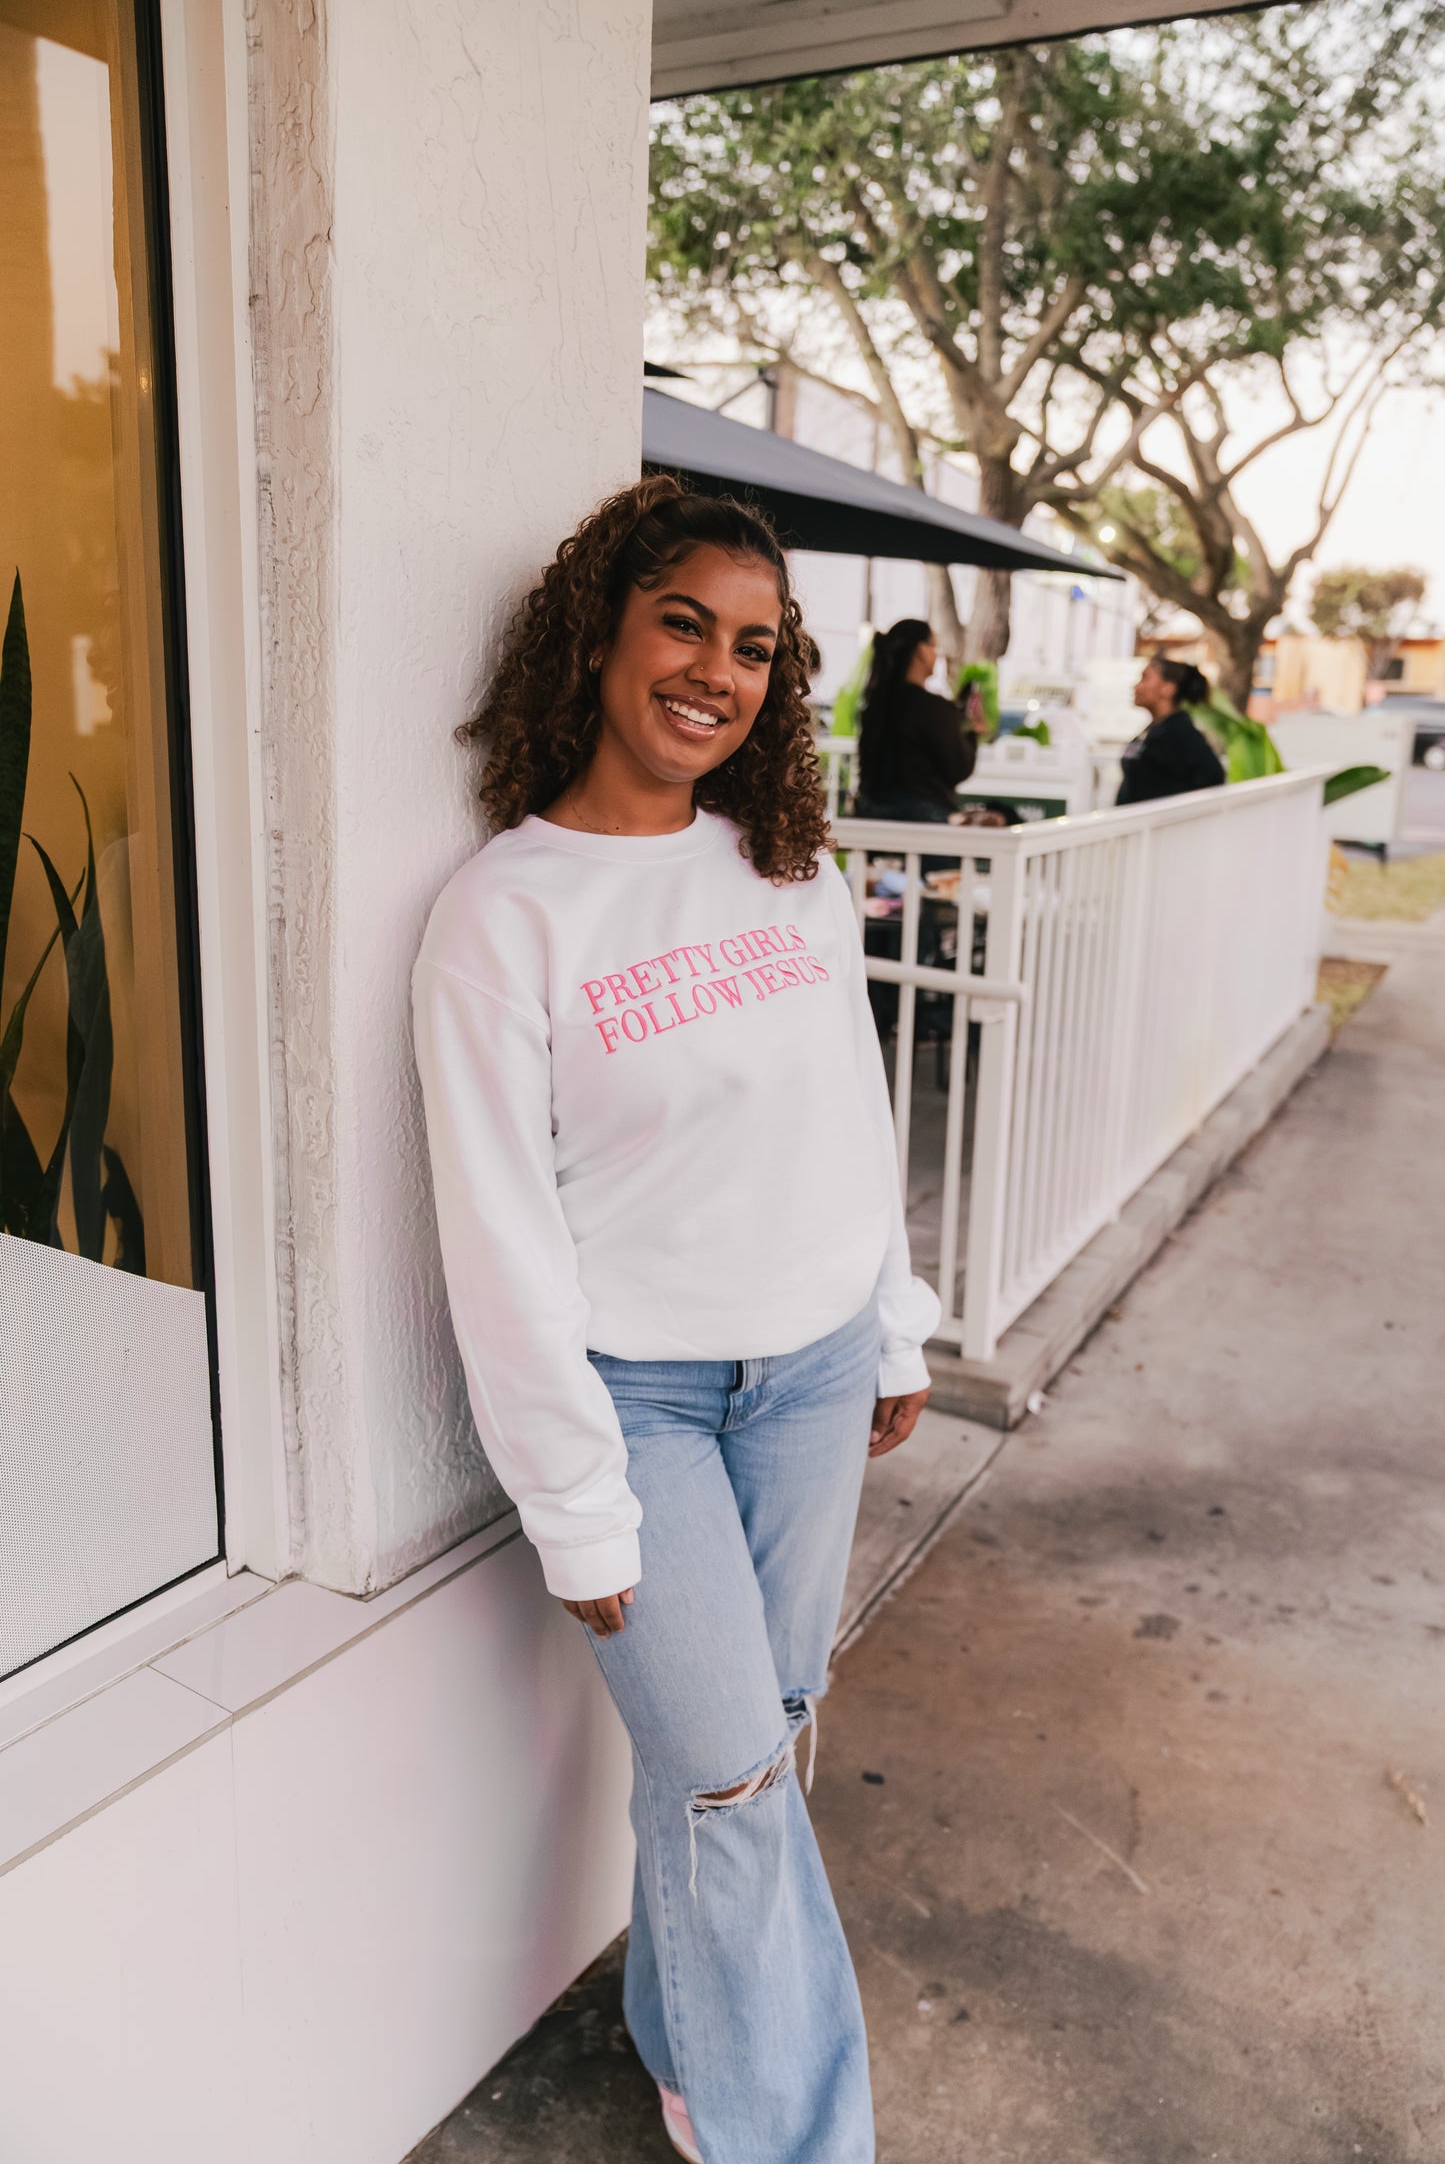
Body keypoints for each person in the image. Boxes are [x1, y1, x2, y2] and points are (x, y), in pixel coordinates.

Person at [412, 475, 940, 2164]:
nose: (718, 670)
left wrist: (895, 1323)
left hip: (814, 1371)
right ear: (603, 633)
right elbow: (498, 1235)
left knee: (755, 1743)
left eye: (757, 648)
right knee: (727, 1776)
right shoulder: (506, 912)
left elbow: (851, 1107)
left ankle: (684, 2039)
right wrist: (571, 1497)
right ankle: (800, 2138)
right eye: (685, 625)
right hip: (640, 1399)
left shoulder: (785, 865)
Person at [853, 615, 985, 820]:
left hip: (872, 814)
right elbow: (958, 768)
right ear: (922, 650)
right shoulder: (931, 707)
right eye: (934, 646)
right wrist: (973, 733)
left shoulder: (874, 704)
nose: (937, 654)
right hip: (923, 818)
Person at [1117, 657, 1226, 804]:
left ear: (1168, 688)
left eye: (1145, 678)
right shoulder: (1155, 729)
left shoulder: (1180, 732)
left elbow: (1212, 776)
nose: (1136, 686)